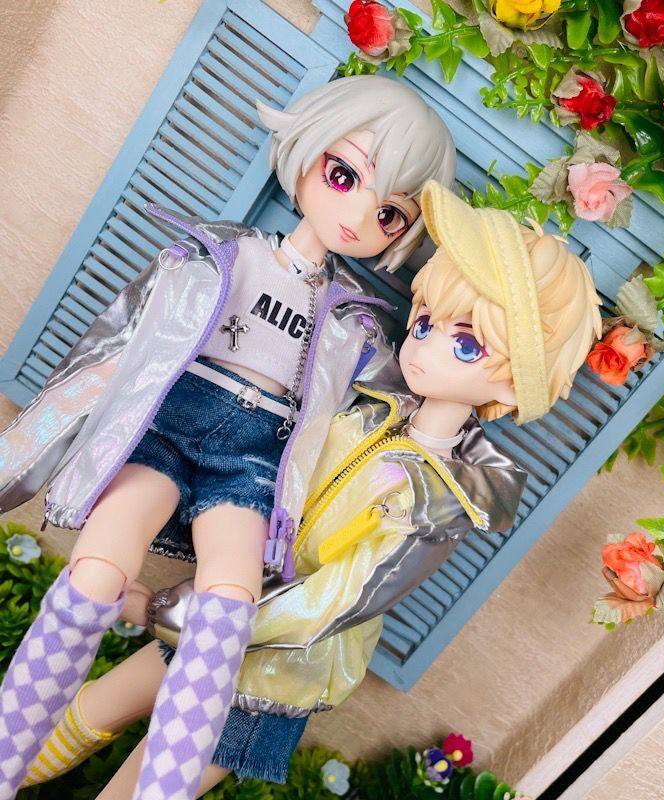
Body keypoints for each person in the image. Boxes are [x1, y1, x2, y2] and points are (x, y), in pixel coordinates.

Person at [19, 180, 602, 797]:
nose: (423, 346)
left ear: (514, 387)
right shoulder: (367, 406)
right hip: (221, 613)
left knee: (143, 787)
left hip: (272, 674)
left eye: (465, 345)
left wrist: (172, 611)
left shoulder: (439, 504)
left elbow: (337, 601)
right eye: (426, 322)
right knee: (90, 711)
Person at [0, 76, 456, 800]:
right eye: (344, 176)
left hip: (252, 463)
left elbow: (404, 398)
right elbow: (113, 350)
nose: (356, 216)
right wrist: (28, 453)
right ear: (305, 152)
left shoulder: (356, 324)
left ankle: (160, 789)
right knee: (95, 573)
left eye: (389, 213)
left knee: (226, 610)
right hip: (167, 428)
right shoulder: (219, 255)